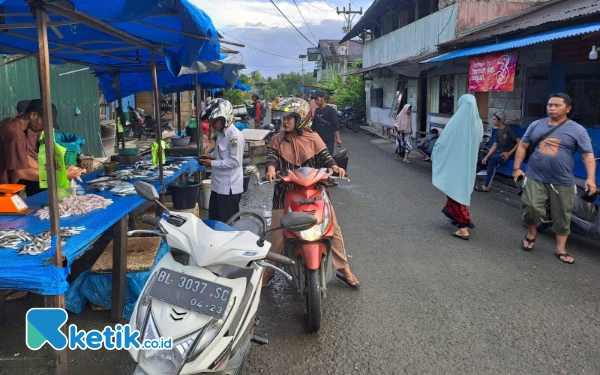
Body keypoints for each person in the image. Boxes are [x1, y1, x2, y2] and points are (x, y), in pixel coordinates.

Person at [263, 98, 359, 288]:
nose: (285, 121)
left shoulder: (313, 137)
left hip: (314, 193)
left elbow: (326, 157)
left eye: (291, 117)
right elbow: (271, 158)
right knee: (276, 233)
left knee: (333, 230)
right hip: (285, 193)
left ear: (303, 118)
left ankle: (344, 268)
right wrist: (271, 169)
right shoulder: (277, 140)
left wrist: (334, 167)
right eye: (284, 117)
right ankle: (269, 271)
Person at [513, 93, 596, 264]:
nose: (552, 108)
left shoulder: (577, 130)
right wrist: (516, 168)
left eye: (557, 105)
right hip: (535, 176)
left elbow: (588, 154)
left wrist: (590, 178)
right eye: (550, 105)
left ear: (568, 108)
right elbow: (523, 145)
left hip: (562, 180)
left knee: (562, 216)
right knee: (531, 208)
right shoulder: (536, 125)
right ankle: (531, 233)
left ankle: (561, 248)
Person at [0, 99, 82, 196]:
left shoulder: (11, 124)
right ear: (34, 115)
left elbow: (25, 157)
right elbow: (21, 172)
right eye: (45, 123)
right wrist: (61, 175)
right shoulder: (15, 134)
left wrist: (55, 171)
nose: (45, 128)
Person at [432, 94, 483, 240]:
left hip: (454, 165)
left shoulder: (456, 122)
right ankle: (454, 215)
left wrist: (437, 155)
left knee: (455, 195)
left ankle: (463, 227)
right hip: (468, 166)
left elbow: (442, 143)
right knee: (458, 193)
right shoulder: (478, 123)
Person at [198, 98, 245, 222]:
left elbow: (234, 162)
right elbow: (221, 154)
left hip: (229, 189)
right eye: (212, 121)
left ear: (225, 118)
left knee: (229, 224)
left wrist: (211, 163)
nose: (213, 125)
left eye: (215, 121)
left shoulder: (235, 136)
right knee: (215, 222)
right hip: (217, 186)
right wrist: (210, 155)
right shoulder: (220, 134)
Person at [475, 112, 520, 192]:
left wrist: (509, 153)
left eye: (495, 119)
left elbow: (519, 142)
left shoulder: (509, 130)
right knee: (482, 161)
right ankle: (469, 179)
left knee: (492, 161)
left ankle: (486, 186)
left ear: (501, 121)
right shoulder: (498, 132)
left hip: (506, 155)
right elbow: (494, 146)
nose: (493, 121)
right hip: (498, 153)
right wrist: (486, 156)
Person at [312, 91, 341, 156]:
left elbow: (336, 125)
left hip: (328, 142)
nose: (316, 101)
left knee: (327, 161)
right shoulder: (317, 110)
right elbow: (313, 126)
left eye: (317, 99)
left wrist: (338, 139)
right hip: (318, 141)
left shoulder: (330, 110)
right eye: (315, 99)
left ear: (323, 98)